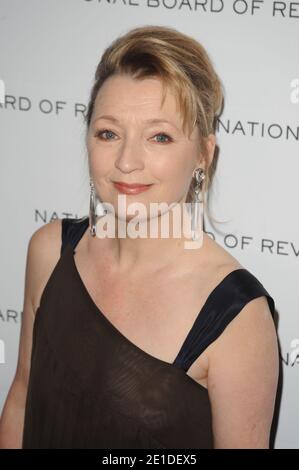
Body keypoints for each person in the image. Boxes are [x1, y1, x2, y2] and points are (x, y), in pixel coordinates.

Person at [0, 25, 279, 449]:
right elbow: (21, 400)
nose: (127, 161)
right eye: (108, 133)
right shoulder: (50, 251)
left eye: (160, 137)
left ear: (204, 154)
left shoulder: (236, 317)